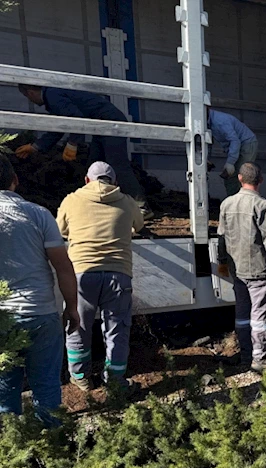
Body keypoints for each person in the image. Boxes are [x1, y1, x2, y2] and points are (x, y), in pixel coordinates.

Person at [0, 155, 80, 425]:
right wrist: (71, 307)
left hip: (3, 318)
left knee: (5, 388)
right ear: (15, 180)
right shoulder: (38, 214)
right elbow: (63, 267)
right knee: (46, 384)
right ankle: (52, 444)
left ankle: (12, 449)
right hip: (41, 313)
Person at [57, 161, 145, 392]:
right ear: (114, 182)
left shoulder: (71, 200)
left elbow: (60, 231)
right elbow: (139, 225)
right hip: (118, 274)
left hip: (81, 274)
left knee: (78, 325)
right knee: (117, 329)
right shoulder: (126, 202)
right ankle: (115, 382)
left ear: (87, 180)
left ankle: (80, 377)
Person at [15, 84, 153, 219]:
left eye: (27, 96)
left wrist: (72, 143)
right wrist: (36, 147)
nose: (30, 100)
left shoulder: (52, 95)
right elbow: (59, 125)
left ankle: (141, 207)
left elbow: (76, 118)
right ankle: (98, 204)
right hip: (101, 125)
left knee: (117, 165)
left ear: (30, 92)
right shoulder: (54, 94)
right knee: (93, 166)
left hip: (111, 125)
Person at [217, 162, 266, 372]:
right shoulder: (264, 207)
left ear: (240, 179)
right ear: (261, 180)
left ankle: (245, 355)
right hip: (259, 270)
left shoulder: (227, 204)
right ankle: (260, 358)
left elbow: (221, 237)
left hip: (237, 270)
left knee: (242, 314)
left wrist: (222, 261)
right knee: (260, 316)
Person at [207, 109, 259, 197]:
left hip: (247, 144)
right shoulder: (209, 122)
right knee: (230, 178)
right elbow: (209, 141)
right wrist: (206, 158)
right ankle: (234, 203)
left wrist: (230, 162)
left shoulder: (220, 121)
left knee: (244, 176)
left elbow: (235, 141)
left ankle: (244, 204)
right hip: (238, 145)